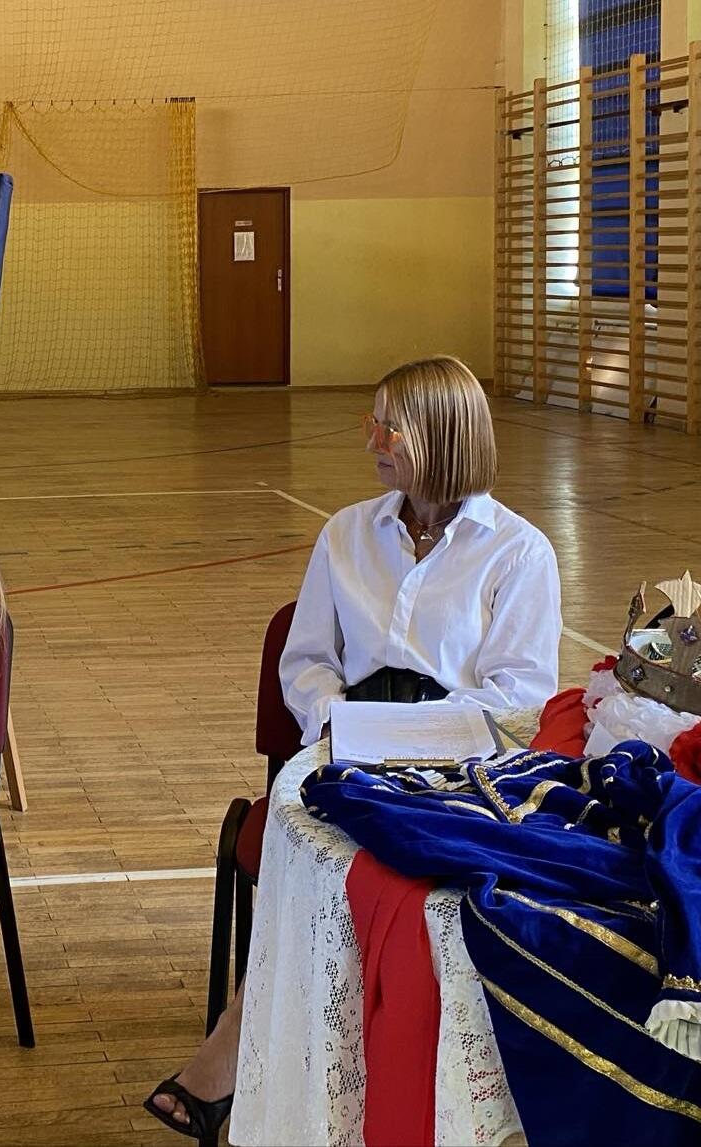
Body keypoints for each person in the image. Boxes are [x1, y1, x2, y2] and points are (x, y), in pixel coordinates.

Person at [145, 354, 563, 1141]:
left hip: (455, 768)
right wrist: (336, 724)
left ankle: (250, 1046)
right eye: (373, 421)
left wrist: (412, 734)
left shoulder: (519, 552)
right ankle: (305, 1058)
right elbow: (304, 661)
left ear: (441, 438)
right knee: (321, 846)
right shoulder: (345, 533)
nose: (372, 440)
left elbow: (519, 698)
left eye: (389, 428)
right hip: (344, 748)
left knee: (376, 867)